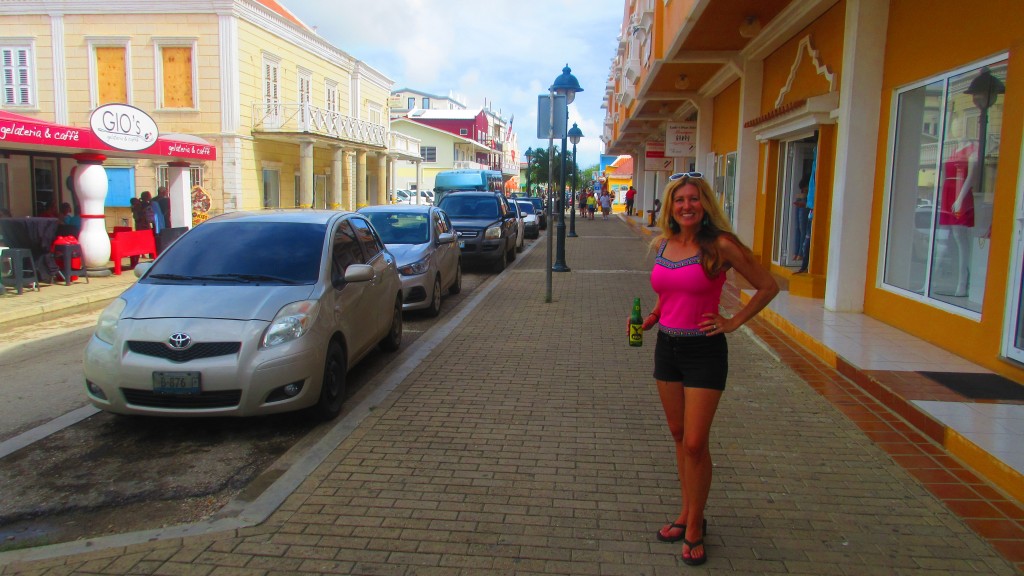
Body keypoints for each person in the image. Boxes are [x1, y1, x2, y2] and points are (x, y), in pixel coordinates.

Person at [636, 172, 778, 566]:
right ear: (671, 206)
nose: (686, 206)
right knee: (680, 436)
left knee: (696, 443)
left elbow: (768, 285)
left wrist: (733, 321)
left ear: (705, 205)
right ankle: (685, 512)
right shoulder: (665, 243)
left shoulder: (720, 245)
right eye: (679, 200)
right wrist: (653, 315)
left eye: (693, 200)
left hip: (704, 352)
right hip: (667, 347)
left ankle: (695, 525)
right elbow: (668, 291)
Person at [792, 176, 809, 262]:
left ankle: (800, 253)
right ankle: (797, 253)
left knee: (802, 229)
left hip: (805, 201)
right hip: (803, 200)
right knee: (798, 228)